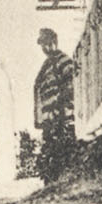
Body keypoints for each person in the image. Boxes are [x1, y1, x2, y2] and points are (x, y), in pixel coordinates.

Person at [33, 28, 76, 181]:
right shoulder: (47, 65)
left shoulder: (62, 60)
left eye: (46, 43)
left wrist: (60, 108)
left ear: (54, 42)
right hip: (49, 119)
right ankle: (53, 182)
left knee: (63, 148)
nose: (44, 48)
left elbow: (70, 86)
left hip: (61, 116)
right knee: (50, 151)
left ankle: (64, 180)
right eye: (42, 45)